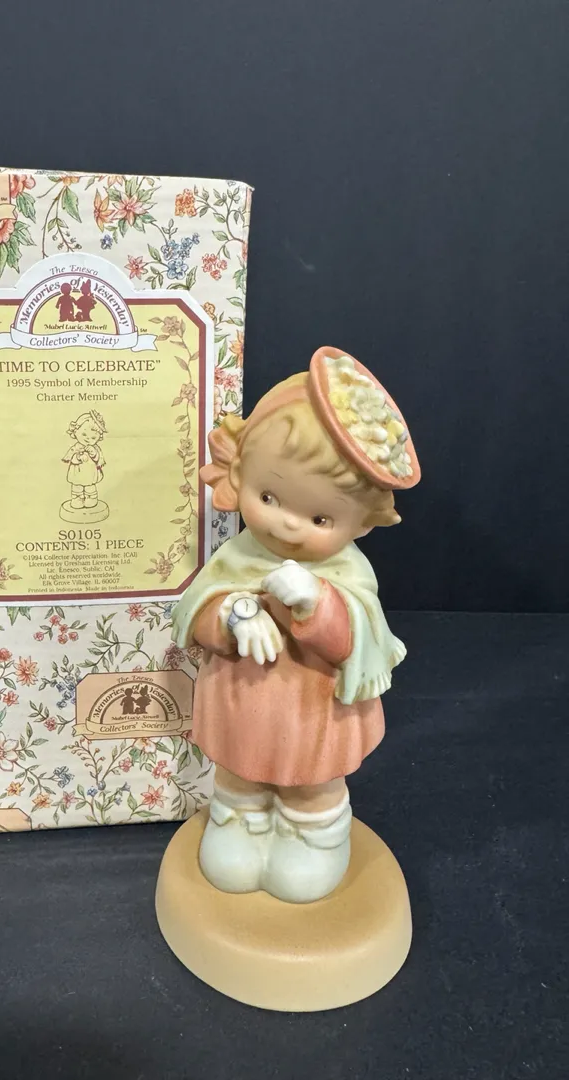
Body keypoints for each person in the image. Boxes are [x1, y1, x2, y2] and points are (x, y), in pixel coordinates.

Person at [171, 348, 420, 903]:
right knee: (238, 772)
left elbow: (361, 638)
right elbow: (194, 610)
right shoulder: (238, 555)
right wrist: (235, 614)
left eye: (320, 517)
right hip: (240, 702)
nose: (286, 524)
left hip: (314, 715)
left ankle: (312, 837)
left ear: (362, 523)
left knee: (313, 783)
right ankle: (239, 821)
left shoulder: (348, 572)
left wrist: (316, 602)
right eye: (268, 496)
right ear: (240, 474)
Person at [62, 410, 107, 509]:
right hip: (77, 471)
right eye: (84, 434)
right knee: (77, 486)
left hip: (90, 471)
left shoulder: (95, 448)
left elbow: (98, 458)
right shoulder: (76, 447)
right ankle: (77, 498)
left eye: (93, 437)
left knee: (90, 486)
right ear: (76, 431)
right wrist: (78, 457)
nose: (88, 439)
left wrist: (93, 453)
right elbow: (72, 458)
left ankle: (91, 498)